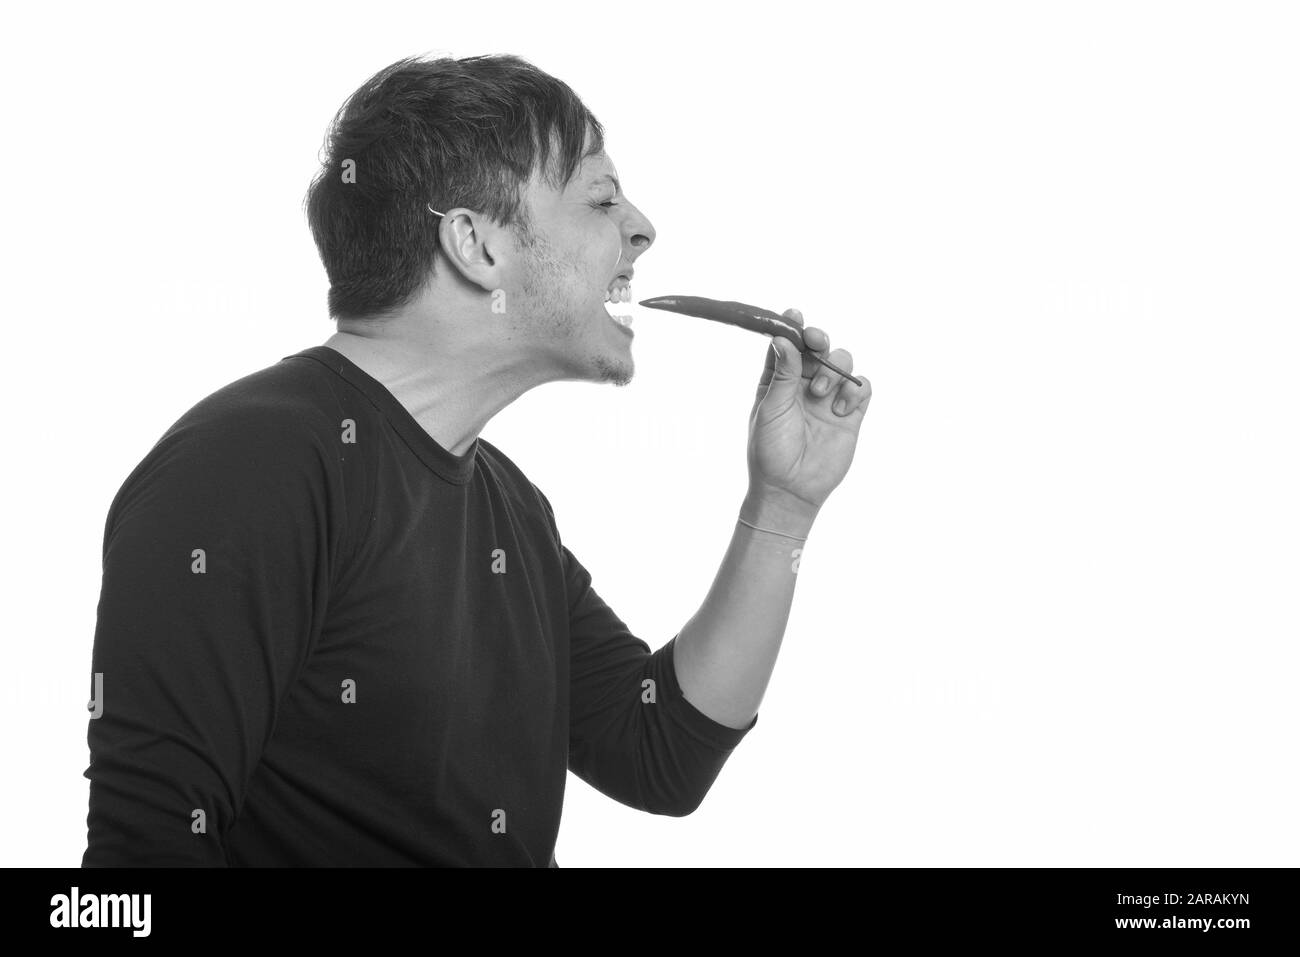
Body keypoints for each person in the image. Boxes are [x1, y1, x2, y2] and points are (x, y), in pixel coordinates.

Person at [81, 53, 872, 867]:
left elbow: (657, 749)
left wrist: (785, 504)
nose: (642, 226)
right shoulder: (249, 467)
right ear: (474, 244)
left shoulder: (509, 511)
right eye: (600, 198)